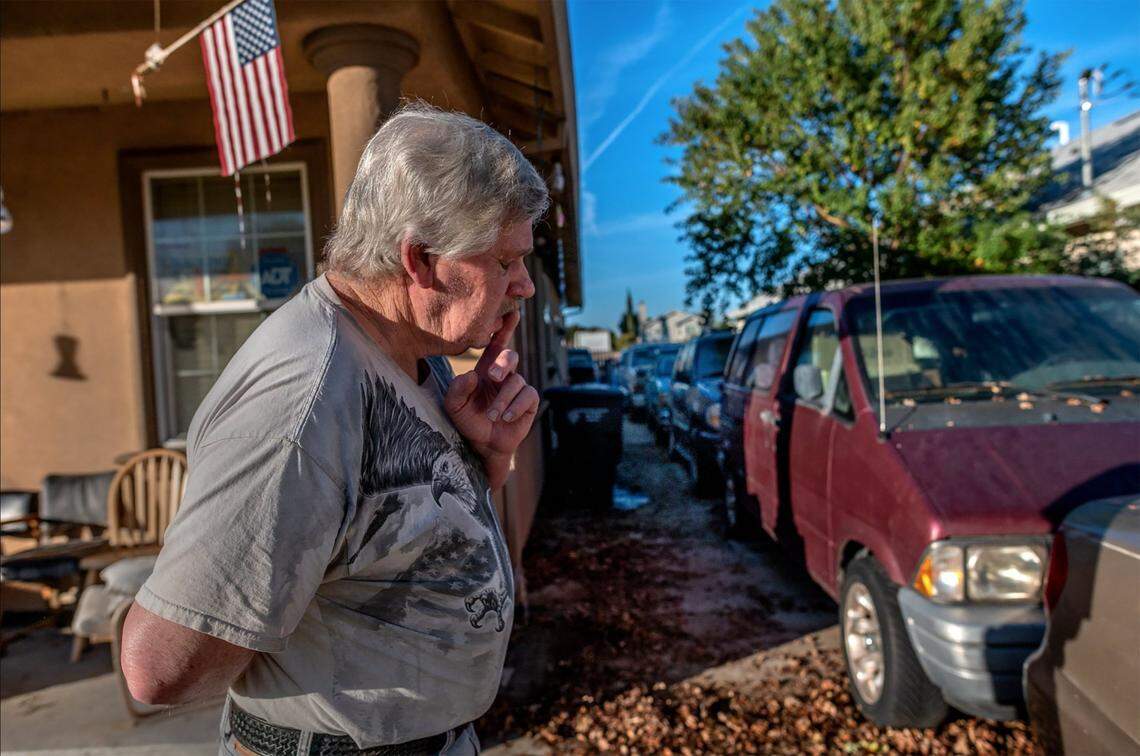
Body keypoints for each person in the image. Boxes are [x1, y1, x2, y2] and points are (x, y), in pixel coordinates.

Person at [120, 103, 550, 756]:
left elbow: (380, 536)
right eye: (505, 262)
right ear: (422, 260)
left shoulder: (411, 353)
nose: (524, 286)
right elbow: (160, 669)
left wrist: (485, 458)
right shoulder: (302, 399)